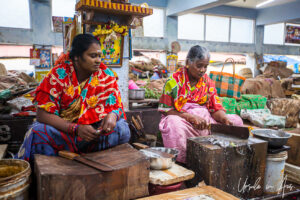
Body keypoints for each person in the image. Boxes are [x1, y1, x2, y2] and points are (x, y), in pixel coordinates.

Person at [17, 34, 130, 162]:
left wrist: (113, 115)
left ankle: (88, 155)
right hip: (66, 133)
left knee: (122, 128)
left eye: (99, 56)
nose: (98, 60)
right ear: (77, 57)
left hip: (93, 135)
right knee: (37, 131)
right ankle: (56, 163)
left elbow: (117, 107)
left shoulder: (106, 75)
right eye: (93, 56)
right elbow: (42, 115)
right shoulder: (58, 75)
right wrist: (75, 129)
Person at [158, 45, 243, 163]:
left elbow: (215, 108)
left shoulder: (208, 81)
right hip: (184, 123)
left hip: (205, 124)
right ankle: (183, 162)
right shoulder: (173, 82)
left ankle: (225, 157)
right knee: (172, 123)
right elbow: (166, 110)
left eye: (205, 66)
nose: (202, 70)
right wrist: (191, 117)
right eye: (199, 66)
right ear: (188, 62)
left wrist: (224, 119)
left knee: (236, 121)